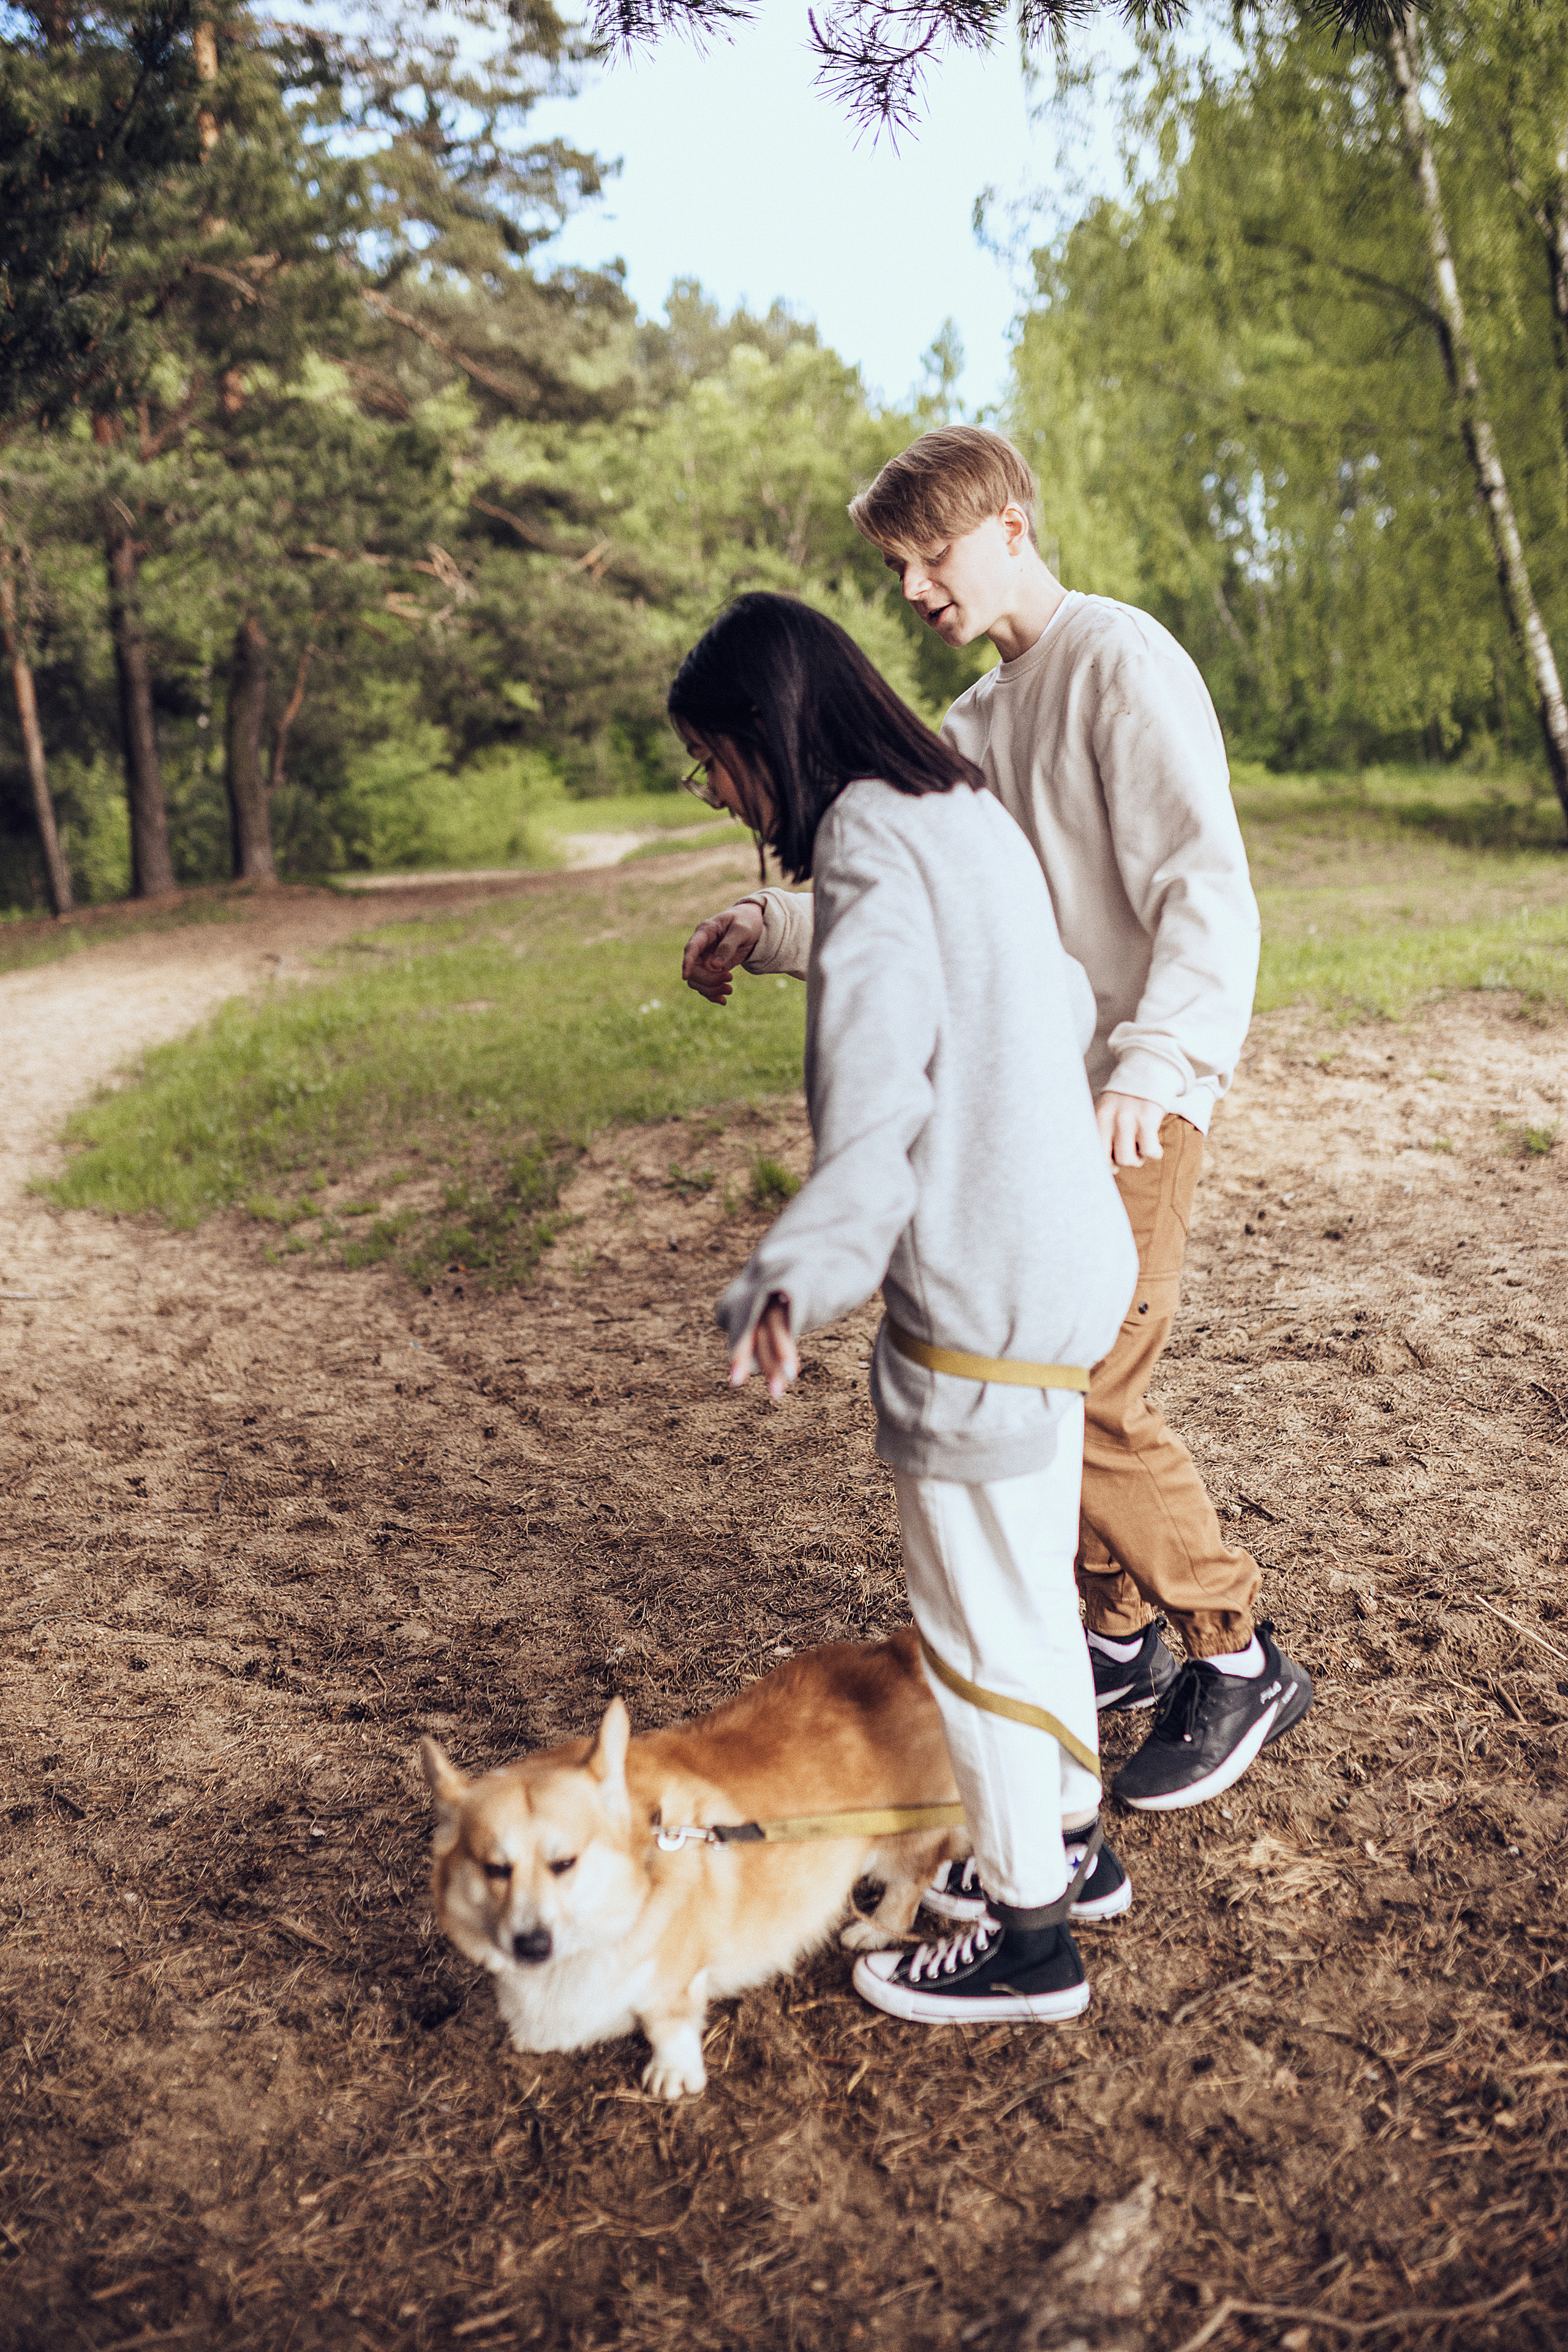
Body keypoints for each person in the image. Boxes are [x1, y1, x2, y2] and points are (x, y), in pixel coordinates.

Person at [681, 428, 1313, 1812]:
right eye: (894, 567)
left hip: (1132, 1102)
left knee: (1081, 1384)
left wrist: (1156, 1065)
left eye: (930, 555)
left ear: (1012, 528)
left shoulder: (1120, 662)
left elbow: (1203, 889)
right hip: (1038, 1110)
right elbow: (923, 897)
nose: (911, 587)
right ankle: (1114, 1635)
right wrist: (772, 921)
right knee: (1050, 1373)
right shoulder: (968, 726)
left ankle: (1236, 1648)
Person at [670, 589, 1138, 2025]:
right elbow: (1045, 1002)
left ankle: (1026, 1937)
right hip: (1065, 1268)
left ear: (768, 732)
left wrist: (788, 1281)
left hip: (979, 1303)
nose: (710, 785)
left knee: (973, 1630)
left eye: (712, 754)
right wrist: (777, 927)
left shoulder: (868, 837)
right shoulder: (955, 808)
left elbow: (873, 1115)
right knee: (1027, 1589)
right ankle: (1064, 1839)